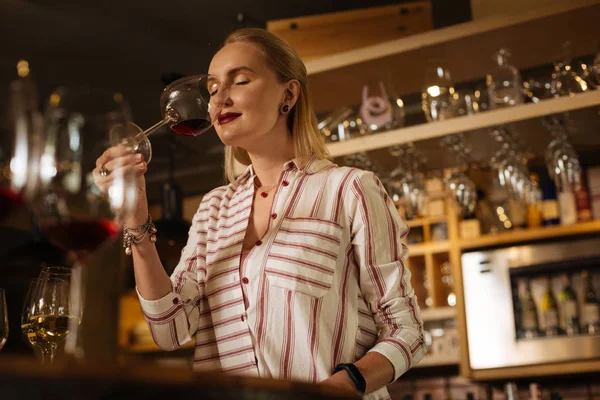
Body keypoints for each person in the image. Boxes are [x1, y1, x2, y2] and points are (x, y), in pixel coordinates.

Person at [94, 28, 426, 399]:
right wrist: (135, 216)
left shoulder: (349, 189)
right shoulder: (214, 209)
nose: (220, 98)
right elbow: (170, 331)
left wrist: (338, 389)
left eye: (240, 80)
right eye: (213, 88)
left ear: (289, 93)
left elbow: (406, 330)